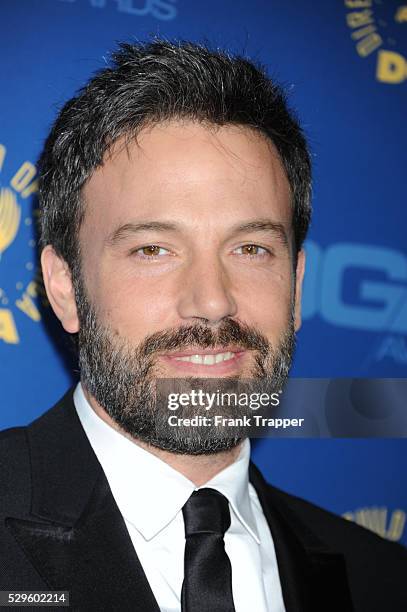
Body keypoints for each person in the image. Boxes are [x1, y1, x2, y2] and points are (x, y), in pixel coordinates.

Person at [0, 40, 405, 612]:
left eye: (250, 248)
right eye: (153, 249)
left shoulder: (382, 580)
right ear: (65, 287)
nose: (213, 302)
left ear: (296, 281)